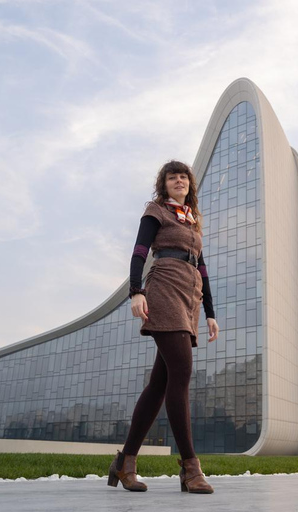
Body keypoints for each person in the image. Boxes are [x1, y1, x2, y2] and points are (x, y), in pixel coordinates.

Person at [107, 160, 219, 494]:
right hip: (165, 287)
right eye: (173, 177)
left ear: (190, 185)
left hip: (190, 297)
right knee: (181, 372)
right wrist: (135, 291)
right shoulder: (156, 211)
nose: (179, 180)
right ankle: (190, 467)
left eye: (184, 176)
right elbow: (140, 250)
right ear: (164, 184)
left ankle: (124, 461)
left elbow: (202, 268)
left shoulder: (192, 222)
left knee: (160, 384)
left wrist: (211, 312)